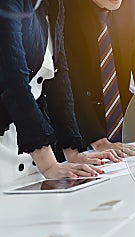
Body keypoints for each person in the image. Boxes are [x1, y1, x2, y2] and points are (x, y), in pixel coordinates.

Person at [0, 0, 118, 181]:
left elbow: (59, 78)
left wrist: (73, 153)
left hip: (31, 151)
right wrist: (48, 164)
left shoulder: (54, 4)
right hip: (11, 146)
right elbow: (12, 79)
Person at [63, 0, 135, 159]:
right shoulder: (63, 6)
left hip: (121, 128)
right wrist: (97, 139)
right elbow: (69, 78)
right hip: (75, 131)